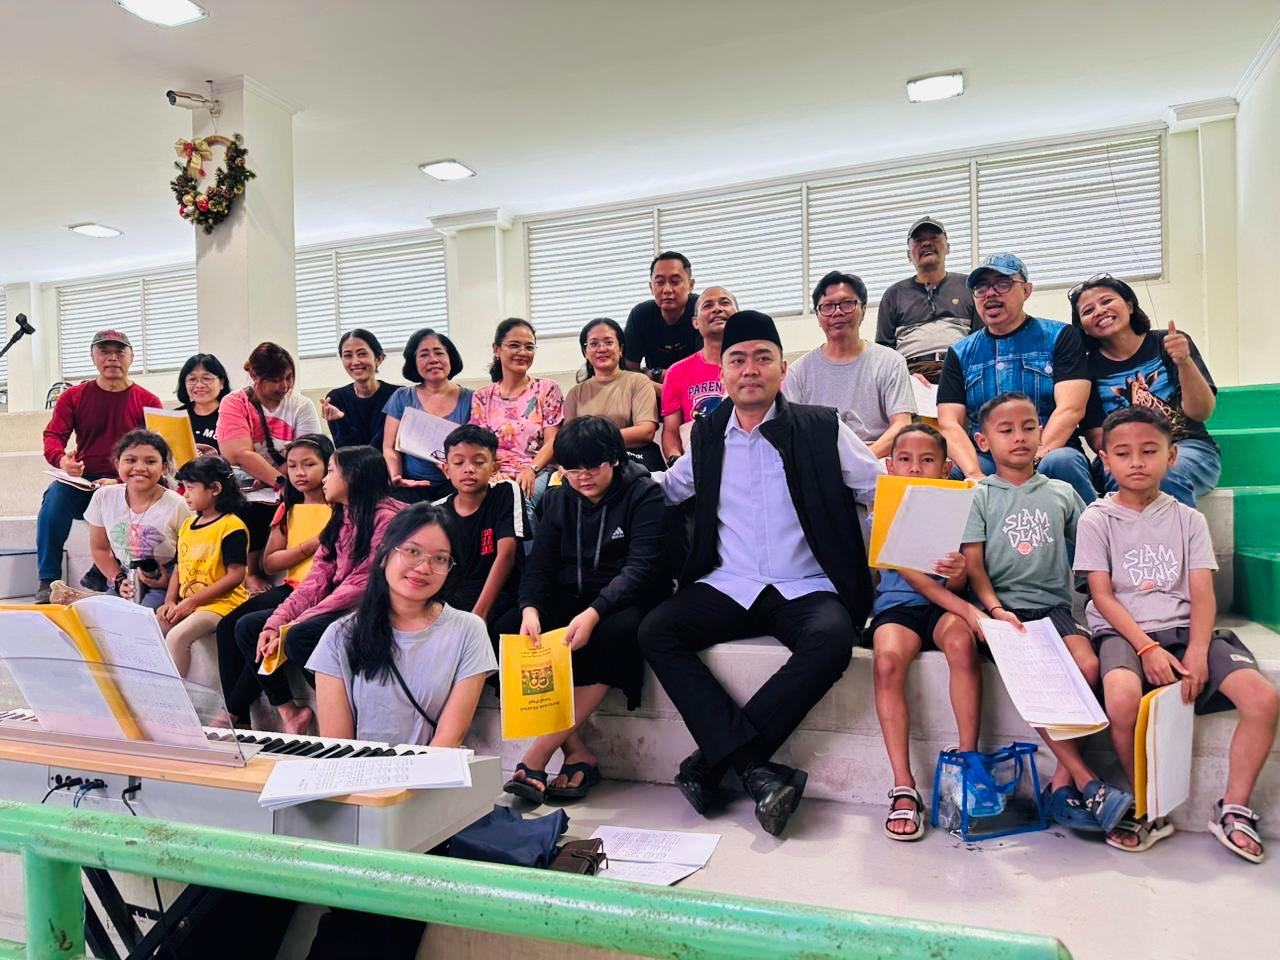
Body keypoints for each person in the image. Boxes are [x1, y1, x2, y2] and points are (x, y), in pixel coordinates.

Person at [638, 311, 883, 837]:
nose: (750, 370)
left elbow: (879, 487)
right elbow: (669, 489)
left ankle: (712, 763)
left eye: (762, 358)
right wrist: (604, 482)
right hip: (730, 583)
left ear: (783, 369)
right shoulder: (707, 435)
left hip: (806, 585)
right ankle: (756, 770)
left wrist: (946, 508)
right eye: (738, 360)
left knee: (831, 641)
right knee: (657, 630)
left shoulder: (822, 427)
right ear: (722, 372)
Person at [1075, 407, 1278, 859]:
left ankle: (1234, 808)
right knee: (1122, 698)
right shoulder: (1096, 519)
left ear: (1172, 456)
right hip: (1123, 633)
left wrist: (1199, 651)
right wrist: (1146, 647)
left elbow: (1202, 594)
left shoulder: (1188, 519)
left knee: (1263, 698)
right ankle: (1144, 803)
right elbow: (1102, 596)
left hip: (1186, 628)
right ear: (1105, 460)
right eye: (1123, 453)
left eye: (1149, 451)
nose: (1137, 462)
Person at [306, 502, 496, 960]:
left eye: (439, 558)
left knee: (381, 914)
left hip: (427, 802)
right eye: (412, 551)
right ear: (386, 553)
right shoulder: (340, 636)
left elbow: (446, 742)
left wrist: (397, 812)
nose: (423, 567)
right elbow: (339, 747)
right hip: (360, 801)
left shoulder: (468, 631)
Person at [960, 391, 1131, 834]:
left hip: (1053, 607)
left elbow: (1093, 545)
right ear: (983, 441)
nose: (1019, 437)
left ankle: (1061, 780)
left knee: (1088, 665)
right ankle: (1086, 780)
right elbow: (974, 566)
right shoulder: (979, 495)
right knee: (1042, 678)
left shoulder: (1061, 492)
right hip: (1006, 611)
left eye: (1028, 427)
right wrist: (994, 609)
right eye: (1006, 430)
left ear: (1042, 433)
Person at [500, 416, 668, 804]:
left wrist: (595, 612)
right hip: (572, 593)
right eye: (572, 469)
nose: (583, 477)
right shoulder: (559, 499)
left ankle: (536, 756)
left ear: (615, 459)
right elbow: (540, 564)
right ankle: (577, 753)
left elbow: (640, 569)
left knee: (614, 634)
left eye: (593, 466)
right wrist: (530, 609)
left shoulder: (644, 495)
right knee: (509, 626)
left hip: (627, 597)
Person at [239, 446, 404, 733]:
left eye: (330, 471)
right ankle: (290, 712)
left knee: (300, 637)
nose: (324, 480)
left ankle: (348, 710)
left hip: (373, 607)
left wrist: (294, 624)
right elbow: (317, 578)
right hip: (340, 604)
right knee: (250, 627)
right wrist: (278, 622)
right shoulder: (341, 516)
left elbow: (361, 584)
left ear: (353, 476)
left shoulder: (387, 519)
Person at [869, 424, 982, 841]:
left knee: (961, 643)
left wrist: (958, 574)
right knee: (886, 662)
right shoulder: (883, 510)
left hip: (945, 606)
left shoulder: (961, 506)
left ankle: (968, 761)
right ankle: (904, 785)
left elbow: (956, 582)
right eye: (905, 460)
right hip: (898, 607)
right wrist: (967, 608)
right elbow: (911, 578)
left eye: (927, 460)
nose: (915, 468)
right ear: (890, 465)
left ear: (946, 467)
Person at [936, 253, 1095, 504]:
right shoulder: (959, 353)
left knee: (1062, 461)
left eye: (1002, 283)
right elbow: (949, 423)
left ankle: (1094, 529)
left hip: (1050, 450)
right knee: (952, 476)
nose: (990, 293)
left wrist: (1035, 457)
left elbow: (1071, 408)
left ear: (1026, 290)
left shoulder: (1061, 336)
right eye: (981, 288)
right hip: (987, 458)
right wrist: (973, 473)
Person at [1070, 275, 1221, 506]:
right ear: (1083, 327)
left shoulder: (1168, 343)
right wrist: (1137, 455)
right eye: (1088, 311)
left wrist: (1184, 362)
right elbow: (1098, 439)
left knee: (1161, 473)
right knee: (1131, 475)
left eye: (1107, 301)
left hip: (1185, 446)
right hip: (1121, 455)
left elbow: (1201, 412)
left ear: (1129, 305)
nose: (1099, 311)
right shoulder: (1086, 367)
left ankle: (1179, 531)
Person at [36, 329, 162, 603]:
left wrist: (120, 481)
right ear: (93, 356)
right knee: (54, 497)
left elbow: (159, 454)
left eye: (120, 351)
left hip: (130, 483)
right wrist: (63, 460)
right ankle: (48, 580)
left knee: (141, 495)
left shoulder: (149, 402)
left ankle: (104, 571)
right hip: (85, 481)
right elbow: (53, 435)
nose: (112, 358)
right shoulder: (74, 397)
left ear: (131, 357)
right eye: (104, 351)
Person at [217, 434, 334, 727]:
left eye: (309, 464)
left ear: (328, 466)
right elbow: (270, 561)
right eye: (292, 466)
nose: (300, 473)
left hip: (322, 590)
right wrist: (310, 545)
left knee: (254, 628)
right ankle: (241, 716)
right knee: (227, 626)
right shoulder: (288, 507)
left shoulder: (340, 507)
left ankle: (237, 713)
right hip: (292, 585)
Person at [217, 342, 322, 593]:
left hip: (291, 476)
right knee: (251, 507)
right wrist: (278, 482)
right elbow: (238, 453)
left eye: (289, 378)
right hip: (250, 484)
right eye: (275, 380)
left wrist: (281, 479)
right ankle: (251, 572)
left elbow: (308, 452)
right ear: (255, 376)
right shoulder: (235, 403)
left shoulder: (301, 405)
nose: (284, 386)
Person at [784, 270, 915, 458]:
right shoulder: (798, 372)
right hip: (822, 460)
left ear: (863, 311)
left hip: (877, 458)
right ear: (818, 317)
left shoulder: (890, 362)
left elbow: (901, 424)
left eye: (847, 304)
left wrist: (861, 460)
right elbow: (792, 433)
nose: (837, 312)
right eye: (828, 306)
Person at [160, 456, 250, 677]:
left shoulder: (231, 526)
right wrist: (170, 601)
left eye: (190, 488)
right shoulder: (187, 525)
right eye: (183, 487)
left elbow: (235, 575)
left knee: (177, 637)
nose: (184, 494)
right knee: (156, 627)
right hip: (188, 602)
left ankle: (178, 694)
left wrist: (192, 602)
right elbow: (179, 568)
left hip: (221, 605)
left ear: (215, 489)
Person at [437, 425, 528, 642]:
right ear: (446, 469)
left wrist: (479, 616)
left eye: (478, 462)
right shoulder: (437, 511)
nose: (469, 469)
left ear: (495, 467)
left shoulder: (506, 491)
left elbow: (506, 554)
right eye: (459, 463)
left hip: (502, 594)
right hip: (455, 598)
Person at [81, 430, 190, 610]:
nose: (139, 467)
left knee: (141, 616)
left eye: (150, 461)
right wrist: (118, 580)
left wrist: (169, 583)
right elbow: (100, 549)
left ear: (164, 467)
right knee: (106, 614)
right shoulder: (104, 497)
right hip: (125, 576)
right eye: (131, 460)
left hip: (166, 578)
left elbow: (189, 557)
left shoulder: (177, 505)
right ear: (117, 464)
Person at [470, 318, 563, 508]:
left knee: (519, 501)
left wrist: (531, 470)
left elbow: (552, 441)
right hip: (495, 472)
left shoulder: (547, 389)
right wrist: (492, 472)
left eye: (529, 347)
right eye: (514, 345)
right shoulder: (482, 396)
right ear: (497, 349)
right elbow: (479, 445)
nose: (522, 352)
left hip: (537, 470)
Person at [876, 217, 981, 383]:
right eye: (918, 240)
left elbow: (982, 339)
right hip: (911, 374)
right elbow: (884, 351)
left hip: (961, 370)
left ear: (948, 247)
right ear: (908, 255)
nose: (926, 243)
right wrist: (906, 377)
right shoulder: (893, 294)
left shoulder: (969, 287)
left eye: (934, 237)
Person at [382, 327, 472, 502]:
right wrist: (396, 477)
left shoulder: (473, 399)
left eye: (439, 353)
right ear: (414, 362)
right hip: (412, 484)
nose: (433, 359)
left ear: (450, 357)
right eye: (424, 354)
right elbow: (389, 447)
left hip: (458, 482)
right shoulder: (402, 397)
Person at [564, 318, 662, 470]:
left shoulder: (639, 381)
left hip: (632, 460)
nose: (602, 348)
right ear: (585, 352)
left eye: (609, 342)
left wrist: (592, 440)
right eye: (594, 344)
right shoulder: (575, 393)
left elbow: (645, 431)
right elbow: (569, 441)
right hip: (588, 464)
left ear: (620, 348)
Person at [660, 286, 734, 462]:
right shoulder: (677, 372)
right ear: (695, 322)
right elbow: (671, 432)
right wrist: (677, 463)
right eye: (708, 305)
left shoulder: (755, 366)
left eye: (725, 303)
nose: (717, 309)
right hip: (698, 463)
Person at [624, 251, 700, 384]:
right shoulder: (640, 315)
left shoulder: (701, 309)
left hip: (699, 387)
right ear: (651, 287)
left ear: (691, 285)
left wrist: (658, 374)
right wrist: (663, 385)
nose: (667, 290)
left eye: (675, 282)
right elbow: (630, 371)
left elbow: (709, 368)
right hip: (656, 389)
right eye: (659, 282)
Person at [321, 329, 399, 450]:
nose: (355, 362)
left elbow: (391, 445)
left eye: (362, 354)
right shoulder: (336, 399)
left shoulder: (398, 396)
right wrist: (341, 421)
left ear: (379, 359)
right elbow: (346, 453)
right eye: (348, 356)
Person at [175, 353, 232, 453]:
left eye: (206, 378)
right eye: (192, 379)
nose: (199, 385)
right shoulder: (175, 417)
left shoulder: (233, 415)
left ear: (221, 383)